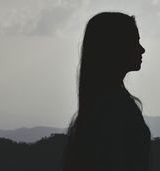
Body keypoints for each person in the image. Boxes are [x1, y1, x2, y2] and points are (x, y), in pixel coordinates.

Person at [63, 12, 151, 171]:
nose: (142, 49)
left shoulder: (100, 106)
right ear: (115, 47)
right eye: (134, 42)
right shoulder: (114, 108)